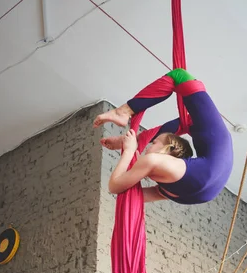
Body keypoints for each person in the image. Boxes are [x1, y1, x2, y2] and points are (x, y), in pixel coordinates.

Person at [93, 68, 233, 204]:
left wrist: (129, 151)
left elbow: (115, 187)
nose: (149, 146)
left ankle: (123, 112)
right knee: (186, 121)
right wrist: (128, 145)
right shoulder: (168, 176)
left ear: (168, 149)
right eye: (152, 143)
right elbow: (128, 193)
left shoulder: (155, 162)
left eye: (154, 143)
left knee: (179, 75)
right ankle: (126, 123)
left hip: (209, 179)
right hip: (202, 189)